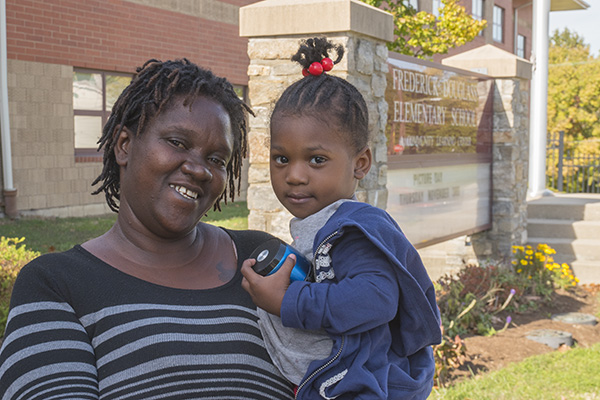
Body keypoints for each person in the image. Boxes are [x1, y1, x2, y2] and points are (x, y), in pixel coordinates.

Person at [0, 59, 295, 399]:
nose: (199, 170)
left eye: (216, 159)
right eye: (178, 142)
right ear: (124, 145)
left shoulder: (263, 260)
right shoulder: (56, 283)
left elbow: (344, 356)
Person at [241, 38, 442, 400]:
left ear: (360, 164)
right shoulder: (321, 222)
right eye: (281, 159)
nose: (295, 175)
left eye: (316, 160)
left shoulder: (354, 230)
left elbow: (376, 299)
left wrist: (288, 301)